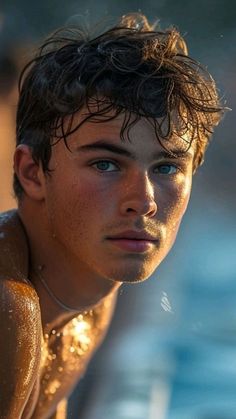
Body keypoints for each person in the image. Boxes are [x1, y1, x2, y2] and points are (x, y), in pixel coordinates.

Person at [0, 12, 223, 419]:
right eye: (106, 164)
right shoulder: (9, 309)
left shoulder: (88, 299)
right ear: (32, 173)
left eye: (167, 168)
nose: (143, 200)